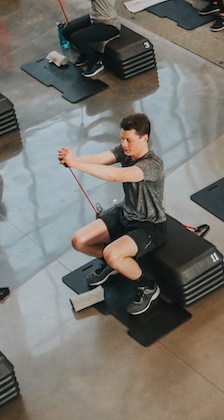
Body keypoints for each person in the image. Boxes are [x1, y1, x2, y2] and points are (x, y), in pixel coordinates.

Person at [60, 112, 166, 316]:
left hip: (149, 225)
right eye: (122, 139)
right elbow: (100, 159)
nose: (124, 144)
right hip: (125, 213)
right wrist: (73, 159)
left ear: (144, 138)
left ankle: (148, 287)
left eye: (129, 140)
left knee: (111, 253)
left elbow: (117, 176)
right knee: (79, 241)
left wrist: (77, 165)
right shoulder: (125, 152)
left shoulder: (152, 165)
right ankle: (113, 264)